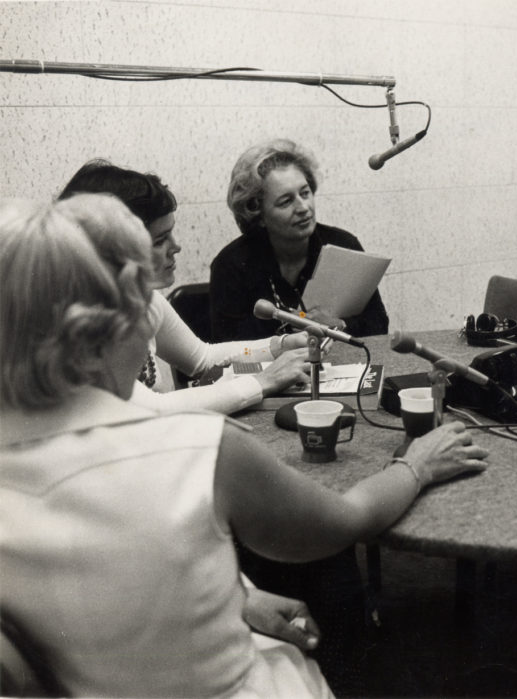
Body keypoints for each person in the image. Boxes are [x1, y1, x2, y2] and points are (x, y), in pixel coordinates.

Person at [0, 195, 487, 697]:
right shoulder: (200, 449)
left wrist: (236, 596)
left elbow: (98, 589)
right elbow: (345, 523)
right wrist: (416, 465)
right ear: (113, 321)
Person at [58, 160, 311, 415]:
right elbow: (155, 408)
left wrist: (278, 346)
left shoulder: (146, 299)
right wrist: (262, 381)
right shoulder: (81, 324)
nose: (176, 247)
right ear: (112, 248)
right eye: (160, 240)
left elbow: (202, 358)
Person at [210, 139, 389, 341]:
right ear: (258, 214)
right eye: (286, 201)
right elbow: (230, 346)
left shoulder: (344, 244)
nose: (303, 207)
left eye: (305, 193)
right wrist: (297, 330)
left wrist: (339, 325)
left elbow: (379, 325)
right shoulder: (231, 265)